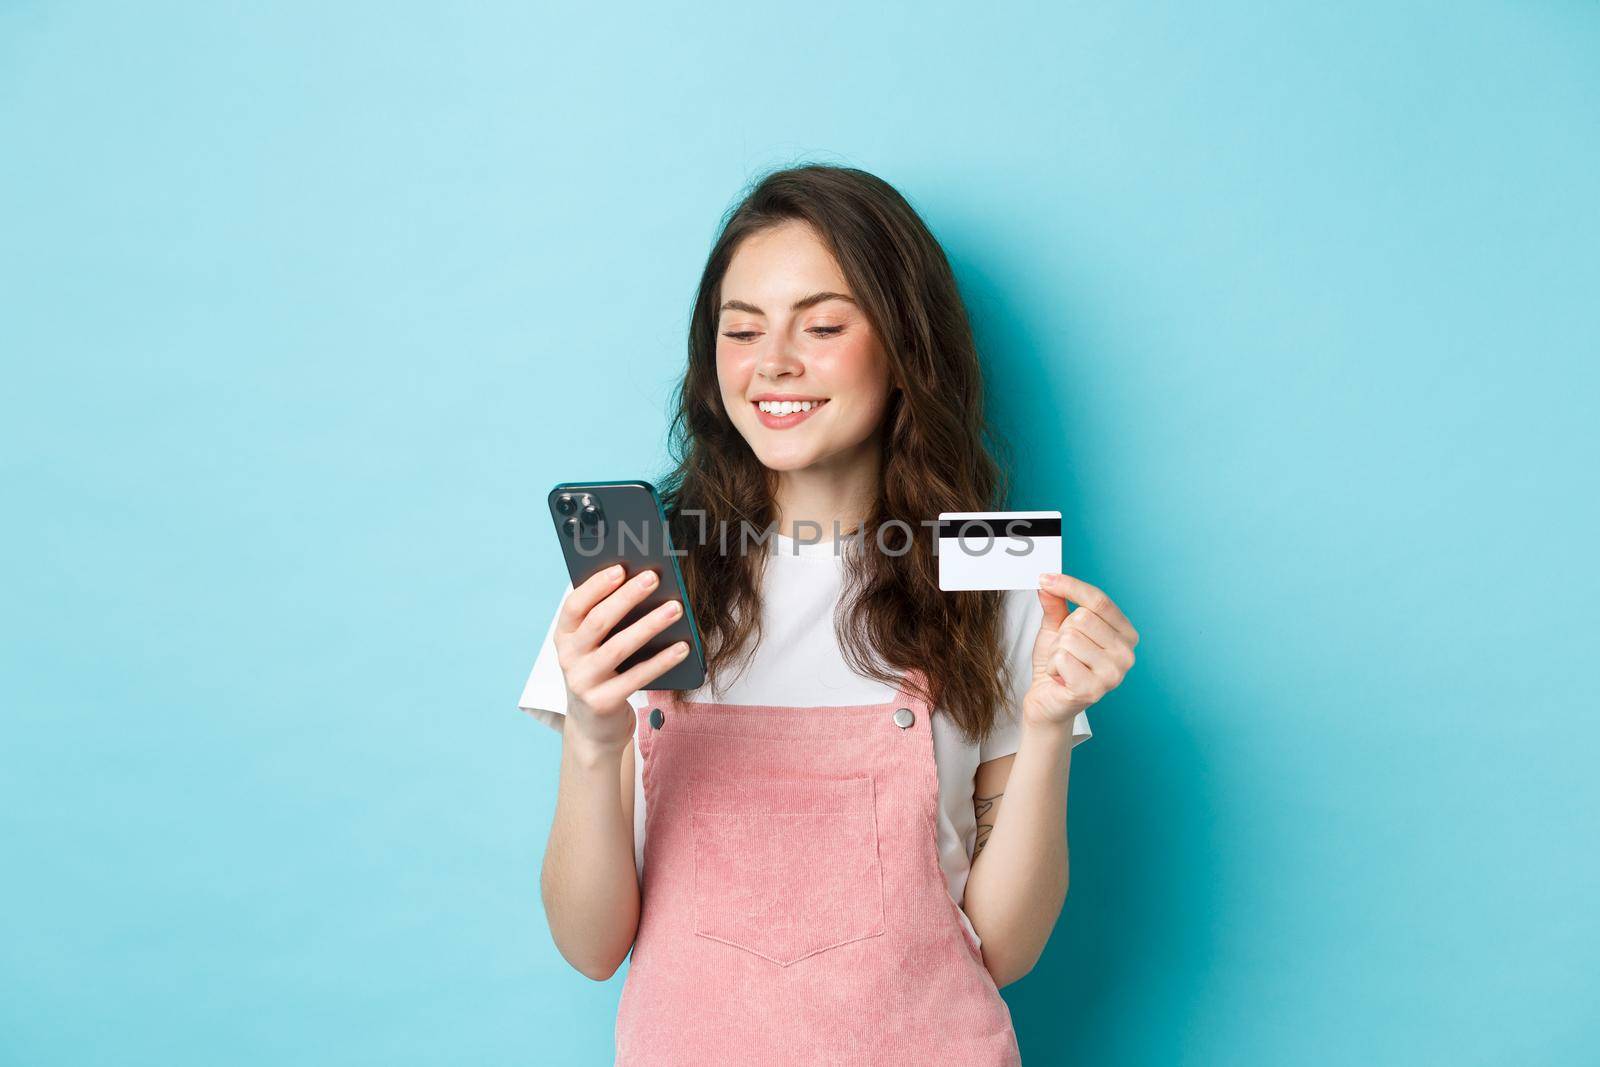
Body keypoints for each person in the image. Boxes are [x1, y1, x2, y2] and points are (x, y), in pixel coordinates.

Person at [517, 163, 1139, 1066]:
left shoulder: (992, 566)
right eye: (742, 329)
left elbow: (1004, 949)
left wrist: (1045, 729)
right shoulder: (639, 570)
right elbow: (589, 944)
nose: (774, 361)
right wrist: (594, 737)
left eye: (823, 324)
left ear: (902, 347)